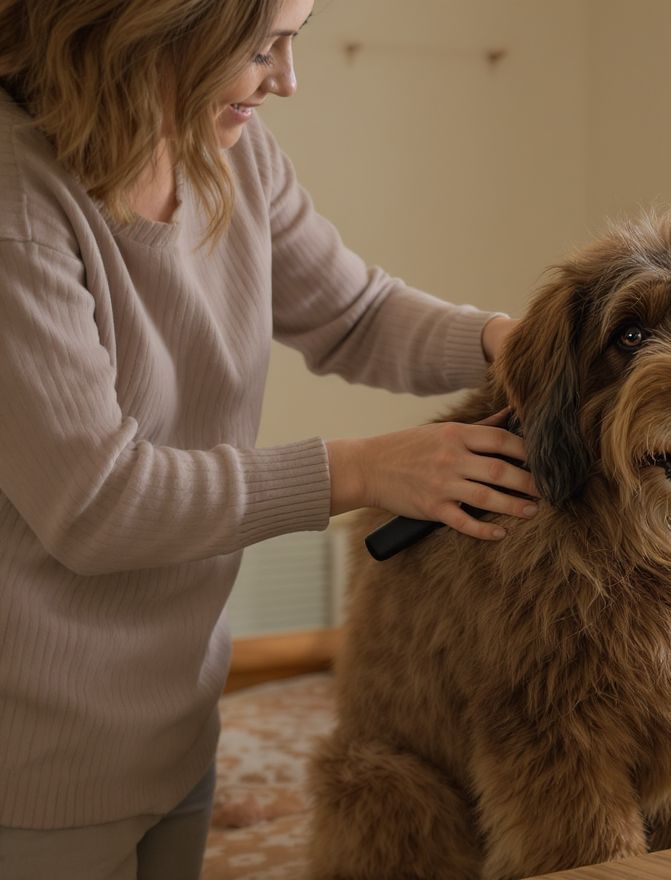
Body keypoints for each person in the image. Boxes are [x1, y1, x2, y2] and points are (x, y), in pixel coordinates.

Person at [0, 0, 539, 876]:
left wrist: (506, 340)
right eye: (261, 49)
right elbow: (96, 505)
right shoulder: (17, 205)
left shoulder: (230, 154)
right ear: (150, 33)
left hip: (173, 726)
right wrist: (365, 469)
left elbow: (354, 313)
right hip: (32, 762)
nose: (286, 79)